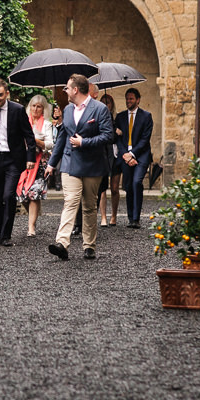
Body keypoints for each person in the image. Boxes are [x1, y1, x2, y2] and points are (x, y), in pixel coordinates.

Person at [45, 74, 114, 261]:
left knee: (90, 206)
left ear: (76, 89)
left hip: (93, 165)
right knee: (70, 201)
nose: (65, 91)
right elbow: (62, 138)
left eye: (67, 88)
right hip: (70, 162)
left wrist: (85, 142)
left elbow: (108, 136)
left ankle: (89, 245)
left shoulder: (99, 109)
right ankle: (62, 243)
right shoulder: (67, 110)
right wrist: (52, 163)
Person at [0, 80, 36, 247]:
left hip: (13, 158)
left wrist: (30, 158)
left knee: (8, 195)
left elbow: (29, 135)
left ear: (6, 93)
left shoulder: (18, 110)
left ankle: (6, 235)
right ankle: (1, 233)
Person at [115, 87, 154, 228]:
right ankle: (130, 218)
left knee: (137, 182)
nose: (128, 101)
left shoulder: (146, 116)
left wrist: (132, 154)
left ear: (138, 100)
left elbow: (145, 139)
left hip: (141, 155)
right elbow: (118, 139)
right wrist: (126, 155)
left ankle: (136, 219)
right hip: (125, 155)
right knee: (128, 185)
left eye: (131, 99)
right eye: (127, 99)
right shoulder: (120, 117)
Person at [16, 95, 54, 237]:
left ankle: (31, 227)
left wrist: (35, 140)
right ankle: (34, 214)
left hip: (40, 163)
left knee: (34, 194)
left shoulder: (47, 125)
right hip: (23, 161)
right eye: (33, 106)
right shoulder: (23, 122)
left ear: (44, 109)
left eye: (39, 106)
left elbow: (50, 144)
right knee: (22, 194)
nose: (36, 109)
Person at [98, 93, 121, 227]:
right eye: (103, 102)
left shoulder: (117, 119)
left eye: (108, 103)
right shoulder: (99, 118)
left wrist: (118, 131)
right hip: (103, 154)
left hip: (115, 155)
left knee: (114, 188)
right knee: (102, 188)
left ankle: (114, 215)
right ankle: (103, 217)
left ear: (111, 104)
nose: (106, 105)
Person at [50, 103, 64, 191]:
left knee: (58, 168)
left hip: (59, 148)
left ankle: (58, 184)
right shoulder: (49, 126)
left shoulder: (61, 125)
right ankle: (54, 183)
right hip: (51, 148)